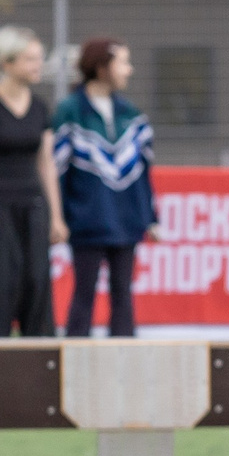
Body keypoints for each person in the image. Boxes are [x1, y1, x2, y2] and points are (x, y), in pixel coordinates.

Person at [0, 27, 67, 337]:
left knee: (36, 279)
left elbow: (46, 164)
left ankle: (39, 356)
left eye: (39, 59)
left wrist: (56, 216)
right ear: (6, 63)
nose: (38, 66)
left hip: (33, 205)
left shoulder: (40, 107)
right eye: (30, 59)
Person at [52, 37, 158, 337]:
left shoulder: (132, 114)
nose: (129, 70)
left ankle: (125, 362)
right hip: (86, 220)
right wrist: (58, 217)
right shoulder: (69, 112)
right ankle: (73, 361)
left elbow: (144, 170)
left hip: (127, 219)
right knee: (83, 293)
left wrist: (151, 216)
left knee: (123, 294)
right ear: (101, 68)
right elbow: (57, 171)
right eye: (123, 62)